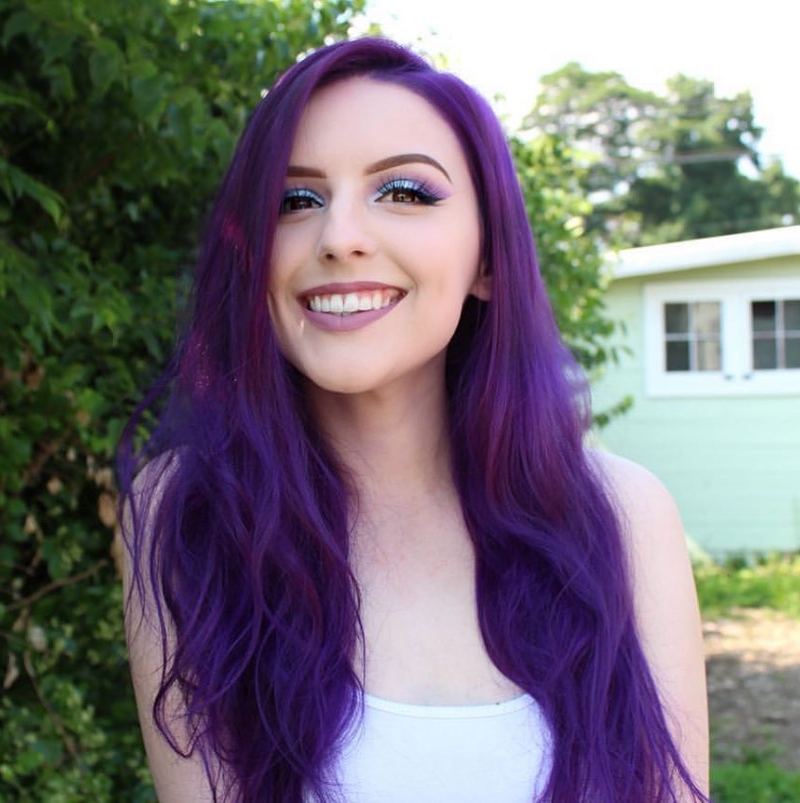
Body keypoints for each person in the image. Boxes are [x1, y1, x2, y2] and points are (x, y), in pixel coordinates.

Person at [119, 37, 709, 803]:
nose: (338, 237)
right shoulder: (186, 514)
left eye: (403, 191)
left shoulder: (623, 515)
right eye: (294, 201)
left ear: (488, 260)